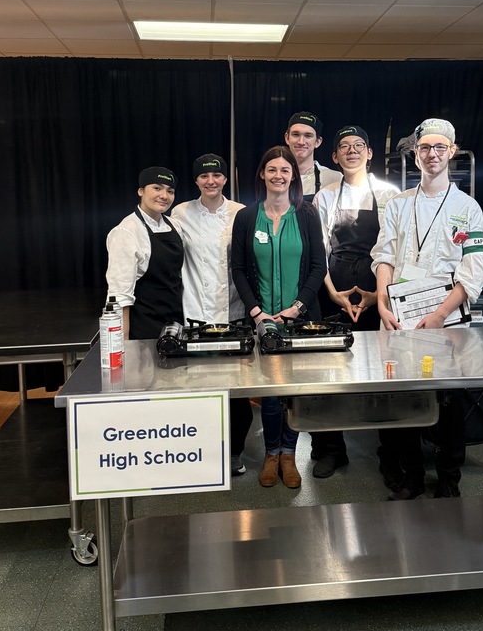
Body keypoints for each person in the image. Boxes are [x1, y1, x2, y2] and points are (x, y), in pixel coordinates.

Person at [371, 118, 483, 499]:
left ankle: (449, 478)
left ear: (452, 152)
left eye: (440, 148)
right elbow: (384, 255)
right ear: (416, 154)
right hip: (402, 319)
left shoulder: (467, 208)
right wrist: (383, 304)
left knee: (449, 400)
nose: (432, 154)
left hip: (446, 320)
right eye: (425, 148)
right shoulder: (398, 205)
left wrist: (440, 315)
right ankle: (412, 477)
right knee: (405, 398)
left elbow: (473, 271)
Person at [231, 146, 326, 489]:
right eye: (272, 169)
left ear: (293, 176)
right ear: (262, 174)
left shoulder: (307, 215)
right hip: (261, 320)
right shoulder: (246, 217)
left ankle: (290, 453)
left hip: (299, 319)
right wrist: (257, 312)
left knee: (294, 392)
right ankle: (272, 453)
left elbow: (318, 267)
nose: (278, 176)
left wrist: (297, 307)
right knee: (270, 394)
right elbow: (238, 269)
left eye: (285, 170)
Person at [311, 124, 400, 477]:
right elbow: (318, 251)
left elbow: (392, 249)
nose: (351, 151)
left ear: (369, 153)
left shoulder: (391, 195)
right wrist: (333, 292)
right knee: (329, 375)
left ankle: (389, 455)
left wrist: (377, 294)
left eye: (358, 145)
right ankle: (332, 451)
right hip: (334, 294)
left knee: (382, 376)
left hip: (376, 293)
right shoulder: (324, 197)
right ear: (334, 156)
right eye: (343, 146)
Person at [171, 153, 253, 477]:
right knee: (199, 388)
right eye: (204, 177)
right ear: (196, 181)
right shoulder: (181, 213)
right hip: (196, 311)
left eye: (216, 176)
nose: (211, 181)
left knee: (237, 390)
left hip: (234, 311)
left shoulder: (241, 213)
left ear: (224, 179)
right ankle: (201, 450)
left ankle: (234, 452)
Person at [106, 165, 184, 339]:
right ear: (141, 191)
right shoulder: (127, 231)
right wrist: (124, 345)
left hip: (175, 324)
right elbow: (120, 295)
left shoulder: (174, 226)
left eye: (170, 191)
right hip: (144, 327)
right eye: (157, 188)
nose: (164, 196)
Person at [284, 110, 340, 204]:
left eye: (308, 136)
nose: (301, 142)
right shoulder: (276, 176)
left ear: (318, 142)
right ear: (287, 138)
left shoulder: (334, 178)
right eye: (296, 135)